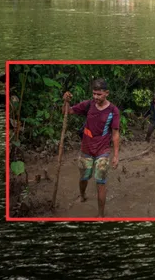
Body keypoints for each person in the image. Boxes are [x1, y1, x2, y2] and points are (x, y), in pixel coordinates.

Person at [62, 79, 120, 217]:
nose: (96, 97)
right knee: (84, 177)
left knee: (100, 182)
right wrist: (65, 101)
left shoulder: (113, 111)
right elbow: (67, 111)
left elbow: (115, 134)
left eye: (99, 94)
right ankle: (82, 195)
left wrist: (116, 155)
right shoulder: (88, 105)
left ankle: (100, 216)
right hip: (86, 149)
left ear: (107, 93)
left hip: (103, 151)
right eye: (94, 93)